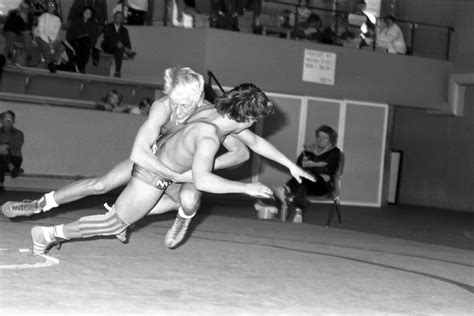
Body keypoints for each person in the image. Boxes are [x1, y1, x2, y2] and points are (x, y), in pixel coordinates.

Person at [30, 83, 315, 255]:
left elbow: (254, 142)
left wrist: (290, 165)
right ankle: (49, 234)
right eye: (256, 119)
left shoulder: (217, 112)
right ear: (248, 117)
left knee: (185, 199)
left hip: (172, 169)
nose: (254, 126)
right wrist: (246, 188)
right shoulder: (208, 137)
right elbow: (203, 180)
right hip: (155, 174)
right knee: (113, 224)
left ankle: (134, 213)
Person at [271, 125, 341, 223]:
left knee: (308, 174)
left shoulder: (335, 152)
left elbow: (330, 170)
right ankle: (298, 212)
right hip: (306, 184)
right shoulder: (308, 151)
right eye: (319, 137)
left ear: (330, 139)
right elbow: (298, 167)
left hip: (324, 186)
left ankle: (285, 189)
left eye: (325, 138)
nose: (321, 140)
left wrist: (311, 165)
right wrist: (317, 165)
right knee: (305, 179)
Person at [101, 11, 137, 78]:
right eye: (117, 17)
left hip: (117, 49)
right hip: (108, 47)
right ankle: (127, 51)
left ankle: (117, 71)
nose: (118, 19)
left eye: (120, 18)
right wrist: (118, 43)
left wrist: (122, 46)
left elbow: (128, 44)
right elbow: (108, 38)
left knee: (119, 49)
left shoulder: (124, 30)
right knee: (114, 42)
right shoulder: (108, 27)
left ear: (122, 19)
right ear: (114, 18)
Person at [66, 6, 100, 73]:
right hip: (76, 42)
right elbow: (69, 33)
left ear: (91, 15)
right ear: (83, 13)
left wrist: (91, 45)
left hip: (86, 45)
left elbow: (94, 37)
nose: (87, 14)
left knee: (85, 43)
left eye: (89, 13)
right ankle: (78, 67)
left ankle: (80, 67)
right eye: (86, 12)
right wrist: (69, 42)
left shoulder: (93, 25)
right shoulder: (76, 22)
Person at [34, 1, 65, 73]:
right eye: (49, 5)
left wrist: (51, 41)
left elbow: (55, 32)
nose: (51, 7)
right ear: (47, 7)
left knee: (61, 47)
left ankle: (52, 62)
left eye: (53, 5)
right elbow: (41, 31)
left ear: (55, 8)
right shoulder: (42, 17)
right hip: (40, 37)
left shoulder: (57, 19)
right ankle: (48, 64)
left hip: (52, 39)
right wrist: (49, 43)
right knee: (46, 48)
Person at [2, 0, 34, 66]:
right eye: (22, 8)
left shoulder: (30, 15)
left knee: (28, 37)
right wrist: (19, 17)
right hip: (10, 32)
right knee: (11, 34)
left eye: (26, 9)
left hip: (21, 34)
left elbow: (28, 30)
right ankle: (9, 55)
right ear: (20, 7)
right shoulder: (13, 13)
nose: (24, 10)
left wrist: (25, 20)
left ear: (29, 9)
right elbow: (9, 27)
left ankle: (26, 58)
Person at [0, 111, 25, 192]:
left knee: (3, 151)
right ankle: (12, 169)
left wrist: (3, 146)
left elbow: (15, 144)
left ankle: (0, 183)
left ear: (14, 121)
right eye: (5, 118)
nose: (8, 120)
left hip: (15, 158)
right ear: (1, 120)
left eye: (10, 118)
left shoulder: (18, 133)